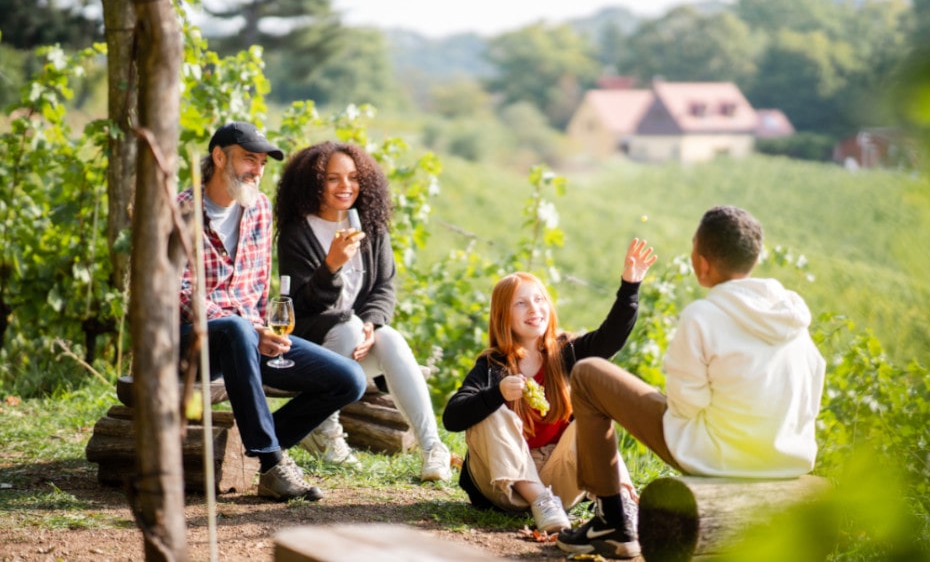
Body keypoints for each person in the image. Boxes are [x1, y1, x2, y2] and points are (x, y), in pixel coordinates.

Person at [556, 205, 827, 559]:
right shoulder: (794, 319)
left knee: (589, 374)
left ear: (701, 262)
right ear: (753, 257)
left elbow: (685, 405)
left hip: (718, 457)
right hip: (787, 458)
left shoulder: (703, 316)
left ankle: (610, 520)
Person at [179, 122, 367, 502]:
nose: (257, 171)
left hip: (248, 338)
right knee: (234, 327)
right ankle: (271, 462)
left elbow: (258, 288)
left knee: (349, 380)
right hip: (189, 344)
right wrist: (251, 328)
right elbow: (179, 292)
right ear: (218, 157)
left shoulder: (259, 209)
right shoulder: (180, 210)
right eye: (249, 159)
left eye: (263, 163)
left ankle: (260, 444)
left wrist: (263, 330)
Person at [442, 239, 658, 533]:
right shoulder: (493, 365)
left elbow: (610, 339)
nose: (534, 308)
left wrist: (630, 287)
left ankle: (622, 505)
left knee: (592, 420)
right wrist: (498, 394)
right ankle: (539, 500)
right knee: (490, 411)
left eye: (539, 299)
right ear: (504, 316)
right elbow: (452, 417)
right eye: (521, 303)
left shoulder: (565, 352)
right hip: (505, 485)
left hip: (559, 481)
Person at [274, 140, 453, 482]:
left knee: (389, 338)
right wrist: (331, 266)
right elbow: (301, 307)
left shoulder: (371, 228)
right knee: (345, 325)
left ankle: (433, 448)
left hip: (356, 348)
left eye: (353, 177)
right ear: (314, 183)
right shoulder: (297, 233)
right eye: (333, 178)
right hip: (311, 353)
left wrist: (371, 323)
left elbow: (385, 287)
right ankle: (324, 432)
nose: (346, 186)